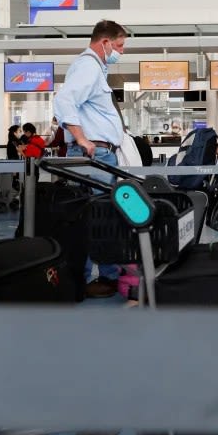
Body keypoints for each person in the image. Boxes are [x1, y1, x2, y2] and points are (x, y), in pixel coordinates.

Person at [54, 19, 129, 298]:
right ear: (105, 42)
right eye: (119, 45)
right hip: (93, 154)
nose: (121, 51)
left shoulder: (96, 68)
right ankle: (97, 277)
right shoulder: (88, 66)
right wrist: (83, 140)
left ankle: (102, 275)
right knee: (99, 217)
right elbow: (64, 101)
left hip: (100, 153)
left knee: (100, 215)